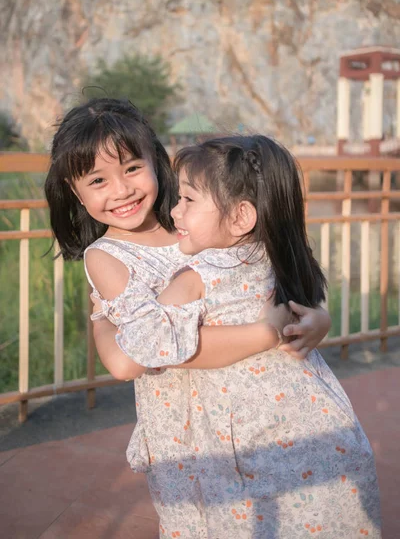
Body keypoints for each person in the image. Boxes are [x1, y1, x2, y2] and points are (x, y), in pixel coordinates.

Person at [44, 98, 332, 537]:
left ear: (155, 162)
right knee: (202, 521)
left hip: (260, 413)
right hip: (186, 424)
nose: (121, 190)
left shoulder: (200, 217)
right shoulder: (109, 257)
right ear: (73, 188)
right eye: (98, 179)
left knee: (283, 517)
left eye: (132, 169)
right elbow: (128, 362)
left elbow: (273, 272)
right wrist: (265, 333)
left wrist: (319, 319)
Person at [92, 134, 381, 538]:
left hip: (236, 435)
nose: (177, 210)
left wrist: (102, 319)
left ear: (242, 217)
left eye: (188, 200)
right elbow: (305, 304)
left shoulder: (195, 275)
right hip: (315, 422)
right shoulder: (269, 253)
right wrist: (316, 321)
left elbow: (140, 349)